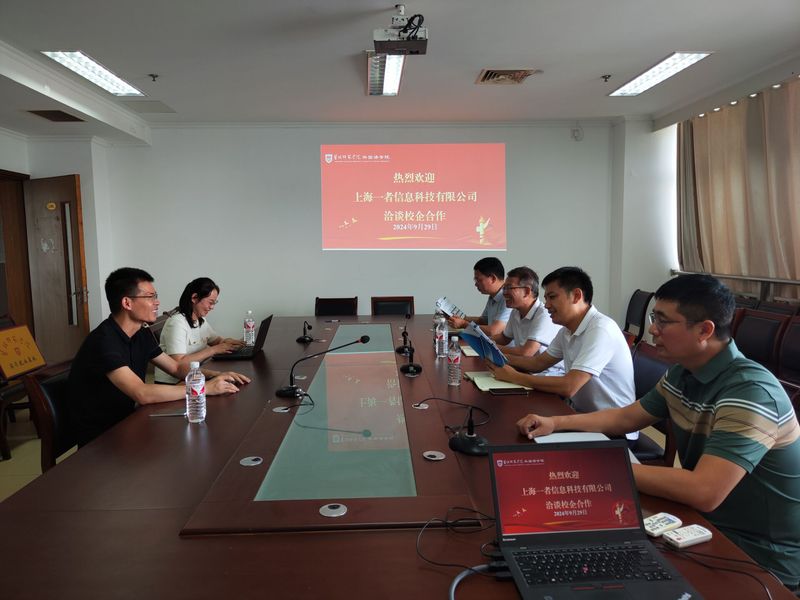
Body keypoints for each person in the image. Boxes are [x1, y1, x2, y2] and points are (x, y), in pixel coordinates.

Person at [516, 274, 800, 590]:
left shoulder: (750, 392)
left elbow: (704, 490)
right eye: (654, 317)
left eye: (663, 321)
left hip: (757, 558)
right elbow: (625, 418)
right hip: (699, 528)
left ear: (704, 330)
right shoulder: (682, 372)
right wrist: (556, 423)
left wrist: (590, 467)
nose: (652, 329)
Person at [69, 267, 250, 446]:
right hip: (101, 439)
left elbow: (176, 368)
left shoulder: (141, 333)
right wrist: (205, 388)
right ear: (127, 303)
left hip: (130, 423)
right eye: (150, 297)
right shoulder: (104, 341)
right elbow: (141, 393)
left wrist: (216, 375)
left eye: (155, 296)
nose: (157, 302)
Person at [488, 267, 636, 437]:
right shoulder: (567, 330)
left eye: (552, 297)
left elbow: (569, 386)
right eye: (546, 298)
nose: (546, 305)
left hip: (613, 429)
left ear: (576, 296)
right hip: (581, 416)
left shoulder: (601, 329)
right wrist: (499, 358)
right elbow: (538, 363)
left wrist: (515, 377)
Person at [154, 277, 244, 384]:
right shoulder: (177, 323)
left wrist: (228, 342)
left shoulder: (200, 320)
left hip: (195, 374)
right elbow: (178, 364)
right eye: (210, 302)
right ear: (194, 298)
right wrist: (213, 350)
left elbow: (217, 341)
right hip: (175, 382)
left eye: (214, 303)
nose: (212, 307)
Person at [490, 267, 563, 372]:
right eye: (504, 288)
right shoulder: (515, 311)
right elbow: (504, 338)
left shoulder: (544, 314)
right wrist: (483, 340)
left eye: (509, 288)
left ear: (527, 291)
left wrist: (491, 347)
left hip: (546, 374)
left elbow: (526, 352)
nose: (504, 293)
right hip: (524, 368)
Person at [447, 256, 512, 336]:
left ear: (492, 278)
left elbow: (493, 331)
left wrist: (463, 324)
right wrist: (457, 318)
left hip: (500, 344)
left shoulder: (508, 298)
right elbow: (483, 321)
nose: (476, 284)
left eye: (479, 280)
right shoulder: (493, 296)